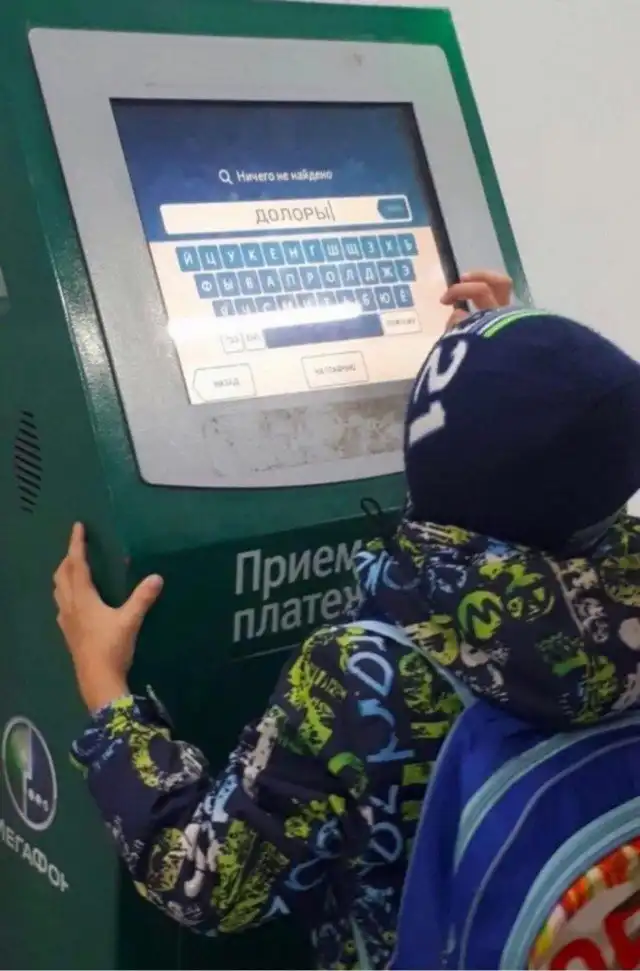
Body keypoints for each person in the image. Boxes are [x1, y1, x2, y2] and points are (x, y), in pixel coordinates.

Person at [54, 270, 640, 971]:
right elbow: (537, 469)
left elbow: (205, 885)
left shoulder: (362, 676)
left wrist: (105, 691)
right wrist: (505, 366)